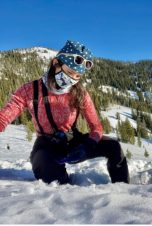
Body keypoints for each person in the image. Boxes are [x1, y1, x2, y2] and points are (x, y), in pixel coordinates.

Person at [0, 40, 130, 185]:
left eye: (77, 76)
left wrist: (87, 145)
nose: (72, 80)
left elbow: (96, 127)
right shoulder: (30, 90)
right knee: (46, 168)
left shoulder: (80, 93)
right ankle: (65, 191)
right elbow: (5, 115)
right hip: (46, 144)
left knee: (114, 147)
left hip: (73, 140)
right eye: (69, 73)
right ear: (56, 63)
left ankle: (122, 190)